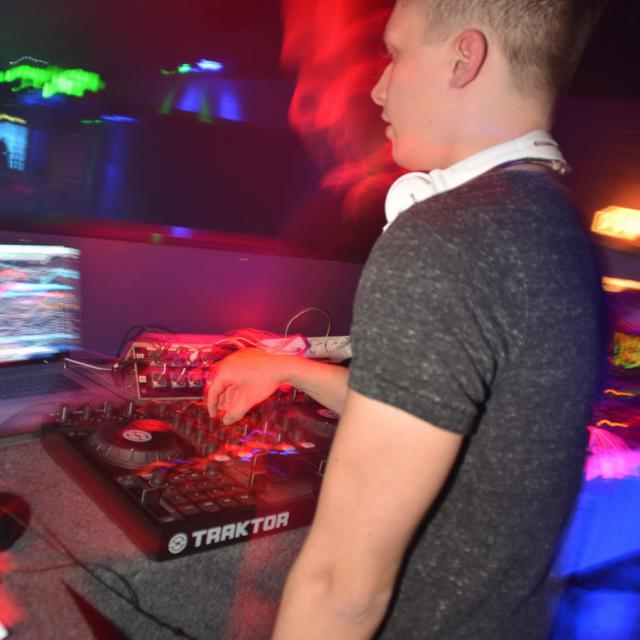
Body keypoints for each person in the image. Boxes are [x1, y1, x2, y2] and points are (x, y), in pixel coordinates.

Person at [206, 0, 607, 637]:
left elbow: (342, 590)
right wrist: (288, 369)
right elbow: (448, 423)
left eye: (395, 53)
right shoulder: (558, 227)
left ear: (463, 58)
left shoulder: (446, 240)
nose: (378, 87)